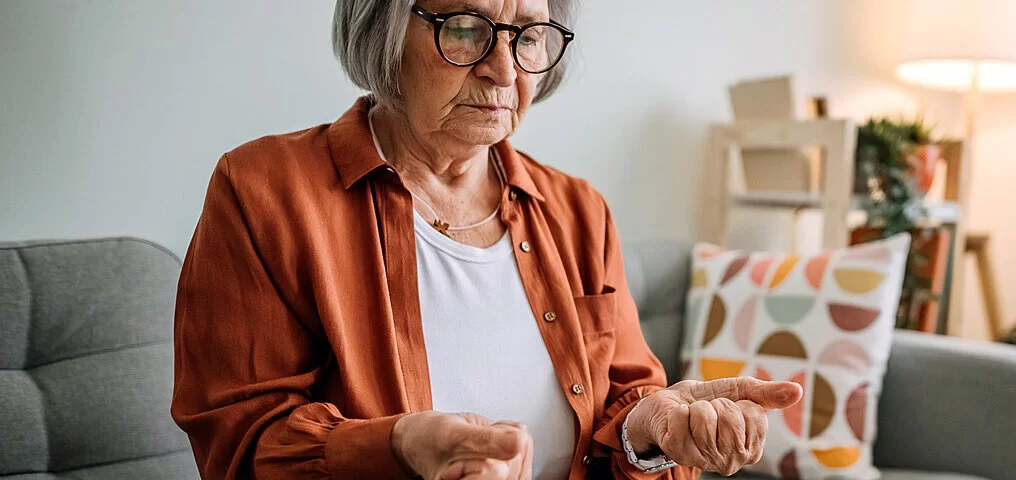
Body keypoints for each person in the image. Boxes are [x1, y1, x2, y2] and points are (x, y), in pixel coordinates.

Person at [170, 1, 802, 479]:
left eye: (528, 36)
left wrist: (656, 428)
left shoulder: (580, 211)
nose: (504, 69)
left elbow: (624, 405)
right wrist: (399, 448)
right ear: (383, 31)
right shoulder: (262, 192)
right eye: (467, 27)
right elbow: (240, 443)